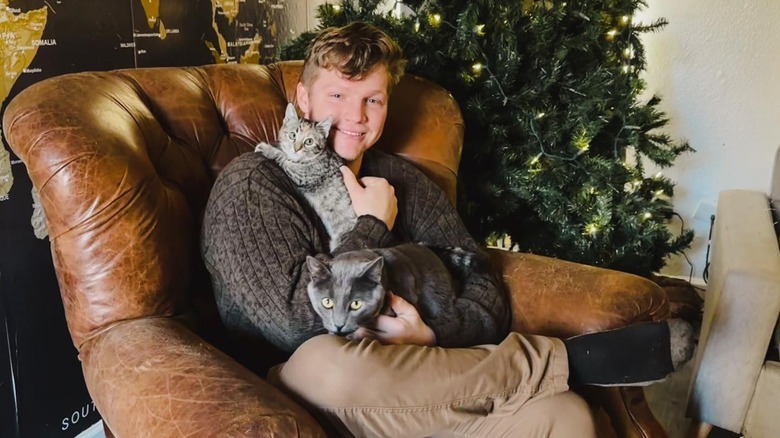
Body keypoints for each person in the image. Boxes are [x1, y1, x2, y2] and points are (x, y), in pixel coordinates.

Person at [201, 21, 692, 437]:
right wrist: (372, 224)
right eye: (337, 95)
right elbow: (293, 326)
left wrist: (429, 334)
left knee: (562, 414)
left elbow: (483, 288)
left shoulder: (402, 180)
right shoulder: (254, 183)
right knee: (322, 362)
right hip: (309, 391)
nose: (355, 116)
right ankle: (567, 363)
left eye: (373, 99)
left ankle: (554, 372)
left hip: (423, 382)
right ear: (303, 100)